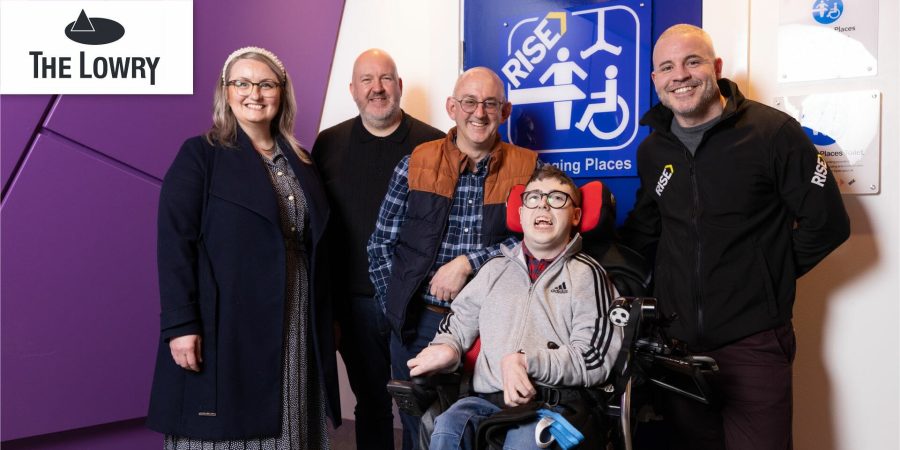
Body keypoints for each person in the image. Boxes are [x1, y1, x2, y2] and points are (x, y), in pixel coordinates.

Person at [618, 24, 850, 450]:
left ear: (716, 67)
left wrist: (765, 276)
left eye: (692, 61)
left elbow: (828, 223)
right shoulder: (654, 151)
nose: (680, 75)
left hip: (754, 342)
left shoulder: (772, 132)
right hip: (677, 348)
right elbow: (646, 230)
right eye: (666, 67)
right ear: (655, 80)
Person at [146, 47, 340, 449]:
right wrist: (181, 325)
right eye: (242, 83)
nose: (255, 93)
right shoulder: (200, 155)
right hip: (227, 320)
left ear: (282, 93)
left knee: (288, 419)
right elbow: (174, 243)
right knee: (227, 430)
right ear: (226, 91)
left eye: (266, 83)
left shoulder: (301, 160)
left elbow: (318, 245)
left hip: (295, 314)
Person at [367, 67, 540, 450]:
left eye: (490, 103)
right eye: (469, 102)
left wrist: (468, 263)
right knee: (419, 431)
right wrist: (394, 304)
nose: (479, 113)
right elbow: (379, 244)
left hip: (494, 326)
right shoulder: (415, 162)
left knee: (483, 430)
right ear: (451, 107)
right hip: (419, 322)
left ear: (505, 111)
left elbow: (540, 242)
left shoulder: (530, 169)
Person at [407, 165, 623, 449]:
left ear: (576, 215)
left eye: (557, 198)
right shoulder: (493, 269)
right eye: (533, 197)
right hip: (484, 399)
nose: (543, 205)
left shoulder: (587, 274)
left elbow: (595, 358)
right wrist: (448, 347)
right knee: (447, 426)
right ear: (521, 214)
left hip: (552, 402)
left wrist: (526, 360)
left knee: (524, 441)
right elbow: (458, 325)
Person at [312, 49, 444, 450]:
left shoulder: (433, 144)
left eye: (385, 78)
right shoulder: (328, 143)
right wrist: (329, 309)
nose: (377, 88)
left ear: (399, 86)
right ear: (352, 89)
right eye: (366, 80)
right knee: (370, 405)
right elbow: (322, 230)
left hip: (416, 304)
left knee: (418, 404)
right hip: (354, 307)